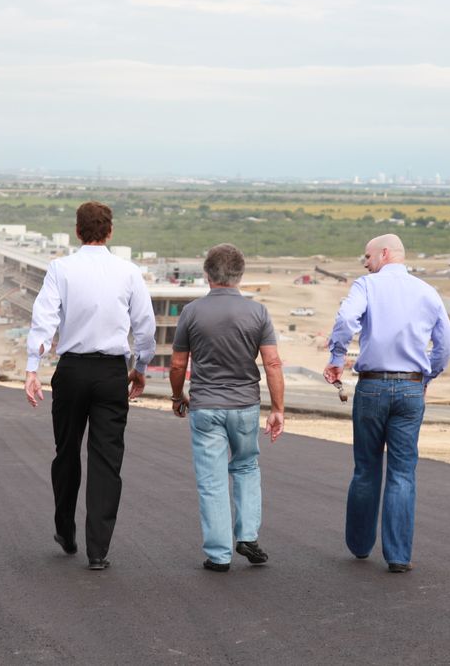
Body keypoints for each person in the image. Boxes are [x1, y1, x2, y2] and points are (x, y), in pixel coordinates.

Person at [24, 201, 156, 571]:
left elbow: (44, 321)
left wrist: (32, 368)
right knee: (106, 461)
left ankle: (65, 529)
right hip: (112, 373)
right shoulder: (129, 272)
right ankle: (98, 550)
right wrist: (140, 368)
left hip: (72, 370)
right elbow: (145, 328)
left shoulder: (60, 268)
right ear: (110, 231)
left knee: (66, 452)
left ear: (77, 231)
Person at [323, 233, 450, 573]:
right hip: (410, 389)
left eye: (367, 257)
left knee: (366, 469)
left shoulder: (367, 285)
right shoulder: (427, 291)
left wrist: (337, 356)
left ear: (384, 254)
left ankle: (360, 544)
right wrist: (426, 377)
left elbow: (345, 320)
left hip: (372, 386)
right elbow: (445, 346)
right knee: (403, 473)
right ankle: (398, 556)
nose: (365, 263)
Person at [169, 243, 285, 572]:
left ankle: (219, 555)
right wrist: (277, 408)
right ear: (240, 275)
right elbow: (272, 363)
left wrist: (178, 397)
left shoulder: (191, 312)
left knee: (212, 480)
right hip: (245, 405)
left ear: (207, 274)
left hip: (205, 405)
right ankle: (247, 535)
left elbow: (177, 364)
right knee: (246, 467)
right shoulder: (258, 312)